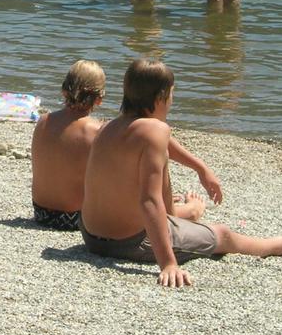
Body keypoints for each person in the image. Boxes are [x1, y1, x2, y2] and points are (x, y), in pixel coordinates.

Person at [81, 59, 282, 287]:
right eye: (172, 95)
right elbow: (149, 200)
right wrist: (168, 263)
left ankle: (181, 216)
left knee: (158, 167)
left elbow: (162, 142)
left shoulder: (109, 127)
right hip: (129, 243)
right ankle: (279, 245)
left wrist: (200, 167)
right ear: (160, 97)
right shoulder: (155, 131)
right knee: (223, 234)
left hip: (91, 236)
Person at [30, 59, 222, 231]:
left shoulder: (43, 121)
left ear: (64, 90)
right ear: (99, 99)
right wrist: (200, 167)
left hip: (41, 213)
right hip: (77, 218)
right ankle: (190, 212)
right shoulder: (98, 131)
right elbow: (155, 141)